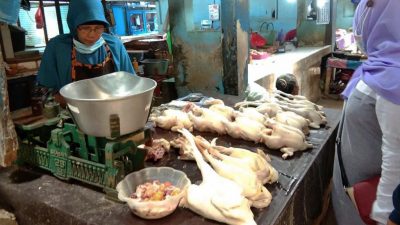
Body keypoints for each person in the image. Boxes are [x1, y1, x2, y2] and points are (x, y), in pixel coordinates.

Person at [332, 0, 400, 224]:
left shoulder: (394, 79)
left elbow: (395, 160)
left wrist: (384, 217)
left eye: (368, 6)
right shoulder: (380, 66)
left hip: (371, 213)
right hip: (354, 195)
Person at [37, 0, 135, 105]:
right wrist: (73, 103)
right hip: (72, 114)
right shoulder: (57, 48)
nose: (92, 34)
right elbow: (44, 91)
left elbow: (131, 83)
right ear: (73, 25)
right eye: (85, 28)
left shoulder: (114, 45)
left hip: (111, 111)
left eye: (98, 28)